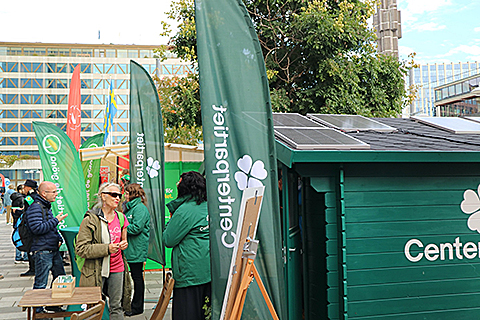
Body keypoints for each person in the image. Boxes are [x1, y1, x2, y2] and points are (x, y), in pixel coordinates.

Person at [75, 182, 132, 320]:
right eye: (113, 194)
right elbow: (81, 248)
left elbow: (124, 240)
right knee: (95, 307)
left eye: (119, 195)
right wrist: (107, 248)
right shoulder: (90, 219)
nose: (117, 198)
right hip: (96, 269)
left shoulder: (120, 217)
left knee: (117, 306)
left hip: (118, 267)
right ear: (103, 196)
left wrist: (124, 244)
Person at [163, 171, 211, 320]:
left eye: (179, 182)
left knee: (187, 313)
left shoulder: (185, 210)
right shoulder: (209, 206)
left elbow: (168, 240)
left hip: (189, 273)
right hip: (209, 270)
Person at [27, 181, 68, 314]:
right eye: (54, 192)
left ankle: (54, 305)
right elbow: (37, 228)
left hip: (52, 248)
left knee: (60, 277)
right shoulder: (35, 207)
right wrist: (56, 220)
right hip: (43, 251)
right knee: (41, 283)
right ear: (44, 193)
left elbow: (49, 228)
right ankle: (38, 311)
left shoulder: (45, 206)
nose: (57, 194)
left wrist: (58, 238)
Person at [123, 183, 150, 317]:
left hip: (136, 249)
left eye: (127, 193)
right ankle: (130, 304)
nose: (125, 195)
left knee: (137, 278)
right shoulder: (130, 208)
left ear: (133, 194)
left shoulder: (139, 209)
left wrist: (122, 228)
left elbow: (137, 228)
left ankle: (137, 307)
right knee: (133, 278)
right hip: (131, 248)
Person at [20, 179, 39, 277]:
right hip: (37, 225)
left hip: (30, 226)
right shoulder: (39, 196)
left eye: (25, 187)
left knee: (30, 247)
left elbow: (30, 210)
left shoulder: (29, 198)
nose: (24, 188)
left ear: (29, 188)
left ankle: (32, 268)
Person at [12, 184, 28, 263]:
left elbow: (14, 211)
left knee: (18, 237)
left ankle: (18, 256)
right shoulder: (22, 198)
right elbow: (23, 211)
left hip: (16, 221)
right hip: (22, 221)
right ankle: (25, 256)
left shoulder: (15, 198)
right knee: (24, 237)